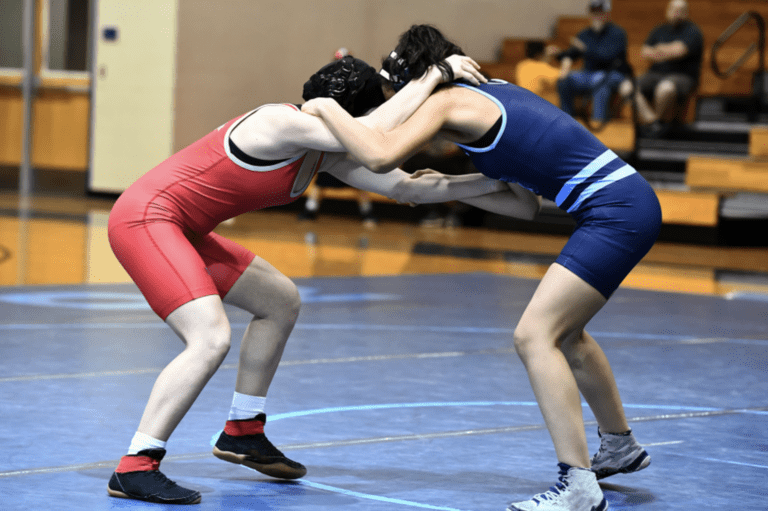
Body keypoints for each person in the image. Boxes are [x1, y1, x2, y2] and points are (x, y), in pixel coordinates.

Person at [105, 53, 536, 505]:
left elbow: (406, 187)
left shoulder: (324, 153)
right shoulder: (277, 122)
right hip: (146, 220)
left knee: (279, 301)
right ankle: (136, 464)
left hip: (183, 228)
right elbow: (374, 136)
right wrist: (435, 75)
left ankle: (242, 431)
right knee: (210, 338)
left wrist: (495, 179)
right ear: (353, 114)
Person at [303, 24, 659, 511]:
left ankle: (578, 486)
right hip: (625, 203)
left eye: (400, 90)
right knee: (567, 334)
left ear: (421, 80)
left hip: (616, 212)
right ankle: (619, 445)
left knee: (534, 336)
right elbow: (523, 206)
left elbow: (381, 155)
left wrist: (324, 109)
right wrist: (454, 182)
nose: (399, 102)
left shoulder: (449, 102)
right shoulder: (488, 102)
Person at [298, 48, 378, 226]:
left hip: (349, 136)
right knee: (323, 177)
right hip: (331, 136)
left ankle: (368, 213)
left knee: (357, 179)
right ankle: (310, 210)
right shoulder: (326, 81)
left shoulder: (359, 84)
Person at [631, 0, 704, 137]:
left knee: (665, 87)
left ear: (686, 12)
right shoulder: (659, 30)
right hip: (655, 74)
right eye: (673, 8)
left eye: (680, 9)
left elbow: (680, 51)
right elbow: (645, 52)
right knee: (628, 86)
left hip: (683, 77)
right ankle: (653, 121)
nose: (676, 12)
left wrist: (659, 49)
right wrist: (669, 50)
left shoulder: (693, 31)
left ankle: (659, 122)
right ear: (667, 10)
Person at [556, 0, 631, 123]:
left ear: (607, 13)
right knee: (564, 80)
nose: (597, 16)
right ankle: (567, 122)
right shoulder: (585, 34)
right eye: (594, 12)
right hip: (588, 74)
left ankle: (598, 126)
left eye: (600, 12)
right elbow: (573, 54)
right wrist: (559, 54)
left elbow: (608, 56)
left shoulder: (618, 33)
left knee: (600, 82)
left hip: (612, 74)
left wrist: (585, 49)